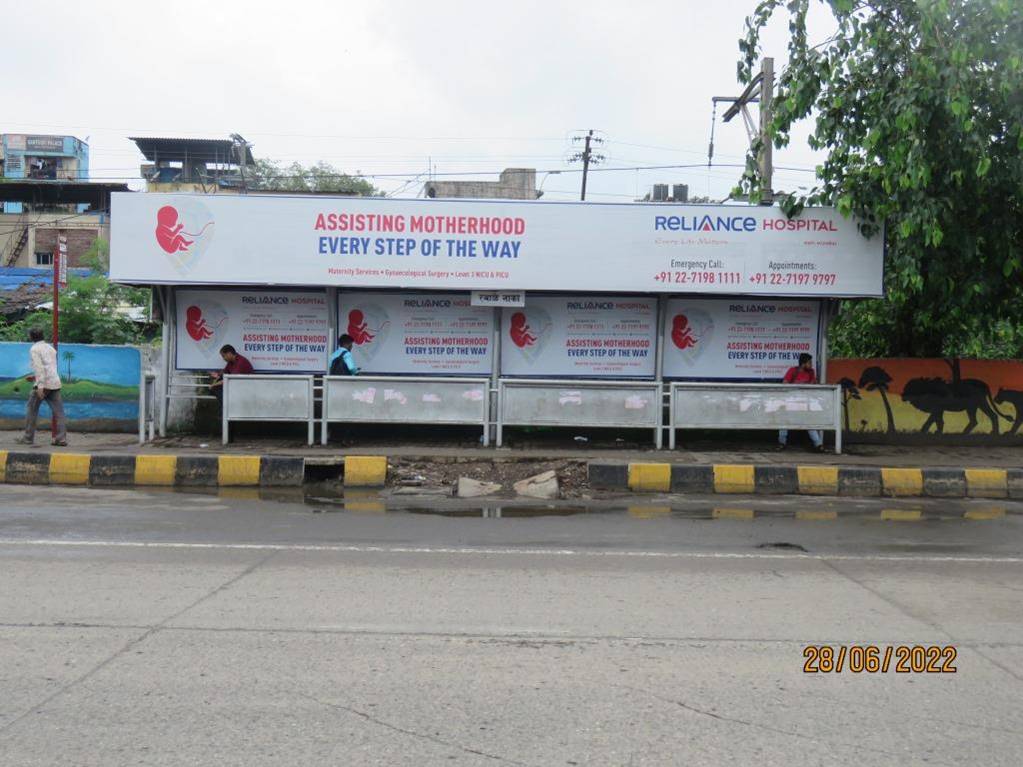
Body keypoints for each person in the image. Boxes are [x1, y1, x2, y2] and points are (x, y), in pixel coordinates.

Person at [16, 328, 67, 446]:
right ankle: (61, 439)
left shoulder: (34, 349)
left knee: (31, 410)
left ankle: (28, 438)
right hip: (54, 383)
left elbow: (40, 368)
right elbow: (49, 368)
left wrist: (40, 386)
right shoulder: (51, 349)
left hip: (43, 385)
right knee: (59, 413)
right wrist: (35, 378)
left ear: (31, 337)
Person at [778, 352, 825, 452]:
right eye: (809, 363)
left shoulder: (811, 372)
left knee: (810, 423)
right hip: (791, 402)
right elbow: (784, 383)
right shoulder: (793, 371)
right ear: (803, 363)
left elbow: (813, 384)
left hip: (804, 402)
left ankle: (818, 444)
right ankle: (782, 443)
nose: (811, 365)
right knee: (784, 422)